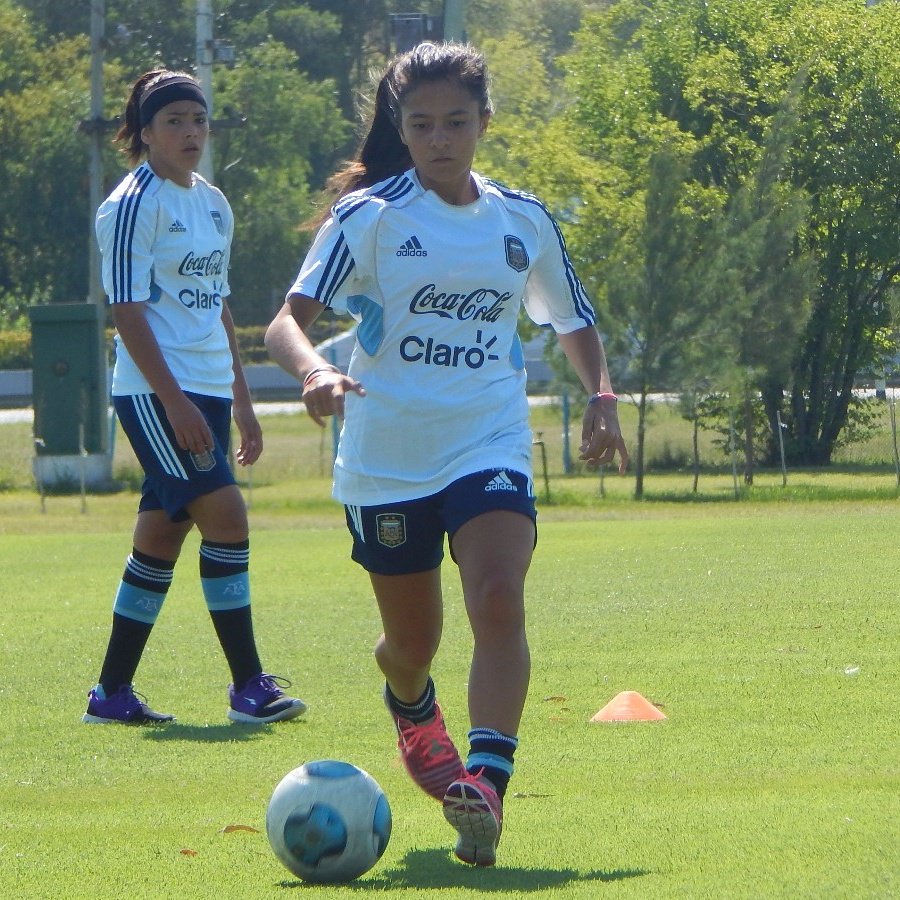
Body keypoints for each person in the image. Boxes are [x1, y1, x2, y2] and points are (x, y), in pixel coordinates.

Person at [265, 42, 627, 865]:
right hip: (386, 458)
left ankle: (486, 786)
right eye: (422, 124)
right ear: (402, 129)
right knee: (411, 646)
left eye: (456, 122)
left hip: (486, 438)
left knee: (498, 595)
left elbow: (571, 319)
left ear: (484, 123)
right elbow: (286, 321)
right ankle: (410, 704)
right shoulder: (369, 217)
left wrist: (601, 396)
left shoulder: (521, 220)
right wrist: (315, 371)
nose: (439, 139)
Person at [82, 69, 306, 726]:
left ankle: (111, 695)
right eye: (174, 120)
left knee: (160, 536)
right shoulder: (131, 204)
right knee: (228, 517)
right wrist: (174, 401)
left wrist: (242, 402)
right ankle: (249, 687)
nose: (191, 132)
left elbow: (218, 307)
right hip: (156, 394)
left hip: (206, 390)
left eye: (199, 119)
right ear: (146, 132)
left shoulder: (213, 203)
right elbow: (126, 311)